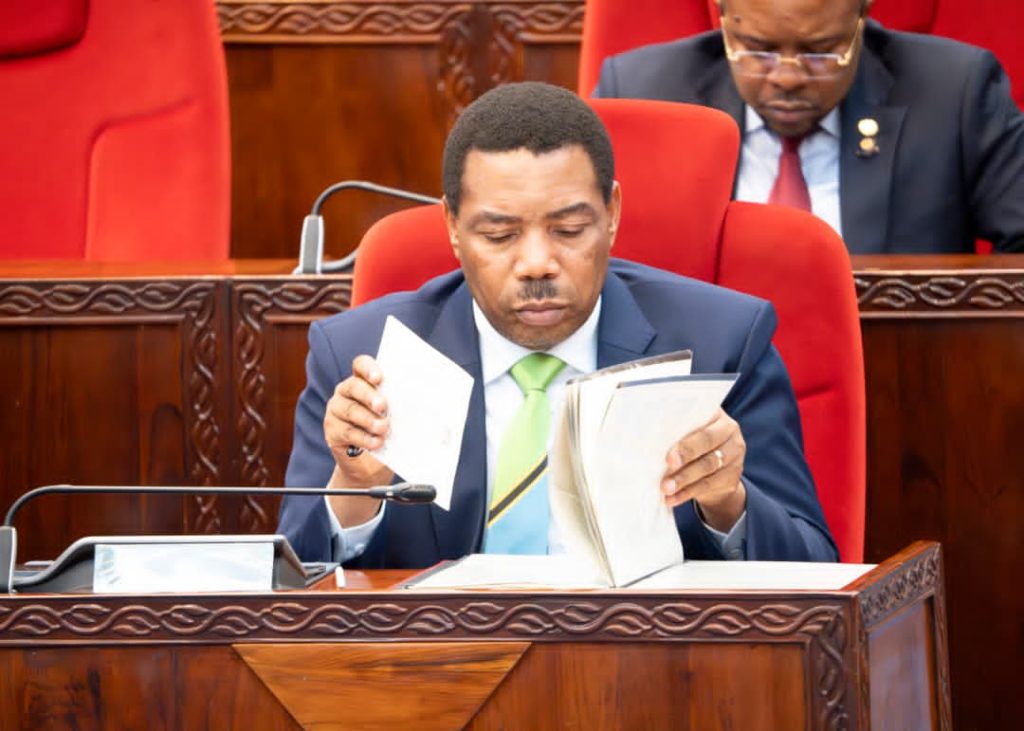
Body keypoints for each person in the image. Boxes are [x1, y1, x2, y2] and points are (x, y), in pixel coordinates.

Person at [278, 81, 836, 568]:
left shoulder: (722, 342)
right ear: (452, 226)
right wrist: (355, 489)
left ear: (611, 213)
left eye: (568, 230)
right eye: (500, 236)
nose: (537, 263)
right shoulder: (362, 357)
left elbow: (815, 571)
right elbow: (286, 591)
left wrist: (726, 501)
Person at [593, 0, 1024, 254]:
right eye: (758, 51)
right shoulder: (639, 92)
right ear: (722, 17)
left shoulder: (954, 93)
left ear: (861, 18)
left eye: (820, 52)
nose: (787, 77)